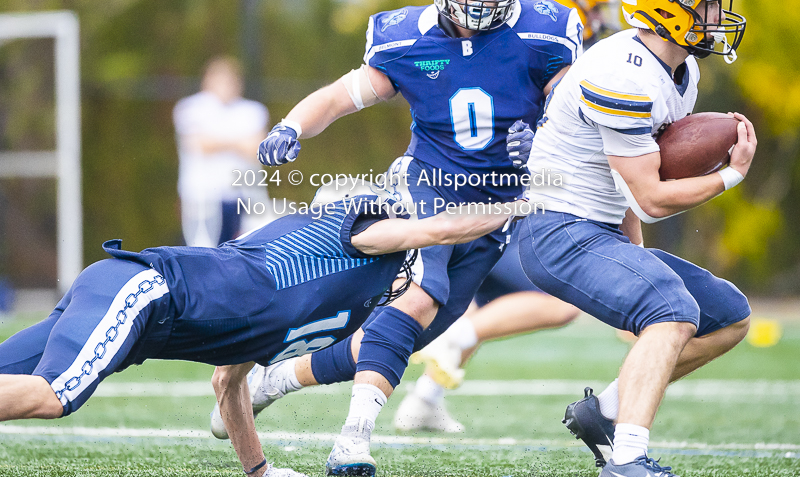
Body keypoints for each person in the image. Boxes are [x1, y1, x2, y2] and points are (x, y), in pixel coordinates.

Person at [235, 0, 582, 475]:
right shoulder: (406, 37)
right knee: (420, 294)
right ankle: (352, 441)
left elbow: (578, 114)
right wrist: (292, 125)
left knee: (414, 332)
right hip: (427, 186)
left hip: (500, 206)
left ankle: (275, 379)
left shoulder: (544, 34)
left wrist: (544, 136)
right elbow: (340, 96)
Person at [0, 182, 525, 477]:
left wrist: (259, 472)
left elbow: (228, 385)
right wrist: (525, 203)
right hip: (145, 291)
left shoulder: (335, 299)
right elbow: (438, 228)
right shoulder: (354, 235)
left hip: (133, 300)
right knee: (52, 396)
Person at [517, 0, 753, 477]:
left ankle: (605, 413)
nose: (719, 15)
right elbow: (649, 197)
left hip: (597, 229)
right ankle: (626, 461)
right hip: (557, 231)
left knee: (729, 316)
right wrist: (732, 176)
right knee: (672, 311)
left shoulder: (681, 70)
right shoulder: (622, 74)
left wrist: (635, 258)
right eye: (708, 3)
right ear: (671, 8)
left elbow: (629, 188)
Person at [393, 0, 621, 434]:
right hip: (500, 204)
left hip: (483, 199)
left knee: (460, 304)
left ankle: (424, 398)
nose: (600, 20)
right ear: (564, 2)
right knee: (561, 299)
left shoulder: (520, 46)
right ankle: (443, 355)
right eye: (593, 7)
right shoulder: (536, 50)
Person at [173, 56, 268, 247]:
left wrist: (219, 141)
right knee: (201, 250)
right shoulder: (190, 108)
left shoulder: (253, 111)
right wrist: (238, 142)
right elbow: (200, 145)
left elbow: (256, 148)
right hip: (201, 197)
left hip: (240, 196)